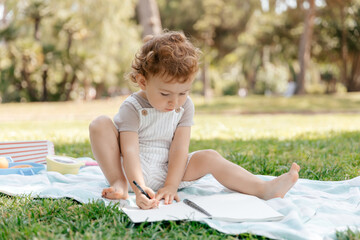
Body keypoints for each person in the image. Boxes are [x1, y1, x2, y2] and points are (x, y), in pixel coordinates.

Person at [89, 31, 300, 210]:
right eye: (165, 94)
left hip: (170, 168)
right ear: (143, 82)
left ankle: (264, 189)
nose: (174, 102)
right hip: (132, 172)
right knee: (99, 124)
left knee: (209, 156)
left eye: (183, 93)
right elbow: (130, 150)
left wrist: (171, 185)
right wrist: (138, 187)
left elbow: (180, 149)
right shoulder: (132, 107)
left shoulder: (185, 106)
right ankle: (119, 184)